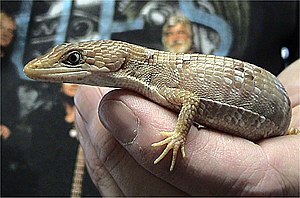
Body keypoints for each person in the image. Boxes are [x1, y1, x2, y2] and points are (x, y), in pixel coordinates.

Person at [73, 3, 299, 197]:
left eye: (74, 59)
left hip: (273, 104)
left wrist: (179, 136)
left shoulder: (159, 78)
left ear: (119, 63)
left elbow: (189, 100)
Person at [29, 83, 100, 196]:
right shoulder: (44, 117)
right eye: (67, 79)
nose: (73, 83)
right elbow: (39, 160)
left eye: (79, 78)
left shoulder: (99, 118)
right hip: (54, 187)